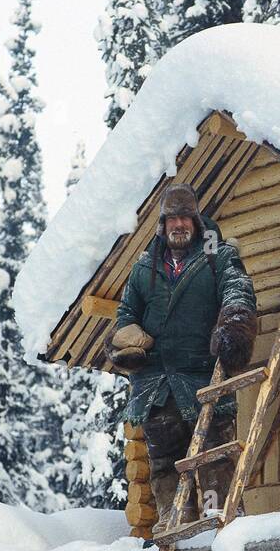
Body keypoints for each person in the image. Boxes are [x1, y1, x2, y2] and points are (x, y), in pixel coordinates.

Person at [105, 182, 257, 525]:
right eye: (172, 219)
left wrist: (234, 325)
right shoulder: (144, 267)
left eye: (185, 217)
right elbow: (126, 311)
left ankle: (223, 524)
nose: (179, 225)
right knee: (164, 464)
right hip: (157, 385)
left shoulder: (218, 255)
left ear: (196, 221)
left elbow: (238, 290)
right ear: (162, 224)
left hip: (204, 376)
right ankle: (175, 524)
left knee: (214, 456)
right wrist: (124, 339)